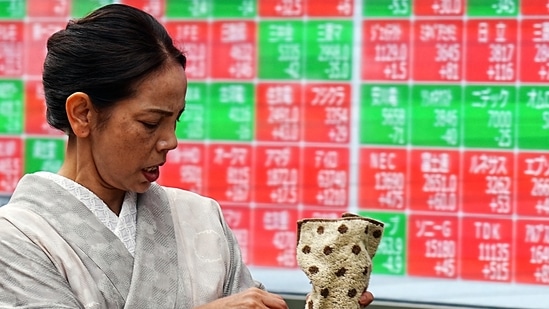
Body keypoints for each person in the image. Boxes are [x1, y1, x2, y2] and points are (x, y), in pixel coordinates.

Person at [0, 4, 374, 308]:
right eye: (150, 123)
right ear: (83, 114)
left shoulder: (201, 218)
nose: (170, 142)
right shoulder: (17, 237)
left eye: (175, 120)